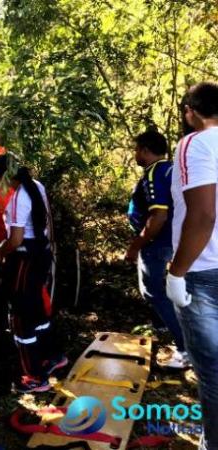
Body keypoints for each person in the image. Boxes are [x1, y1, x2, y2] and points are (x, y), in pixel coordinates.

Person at [0, 154, 67, 393]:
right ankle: (52, 356)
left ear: (4, 179)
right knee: (36, 309)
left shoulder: (18, 199)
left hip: (25, 259)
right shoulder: (36, 186)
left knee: (21, 317)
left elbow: (14, 240)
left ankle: (34, 376)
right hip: (41, 254)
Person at [167, 82, 218, 450]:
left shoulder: (194, 143)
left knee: (213, 372)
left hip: (202, 271)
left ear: (191, 111)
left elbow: (202, 215)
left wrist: (176, 272)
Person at [125, 129, 188, 369]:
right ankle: (164, 324)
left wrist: (136, 245)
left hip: (157, 242)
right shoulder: (172, 169)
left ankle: (184, 349)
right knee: (170, 290)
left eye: (136, 149)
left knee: (154, 292)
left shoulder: (154, 173)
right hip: (175, 240)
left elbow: (159, 215)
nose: (135, 155)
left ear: (145, 150)